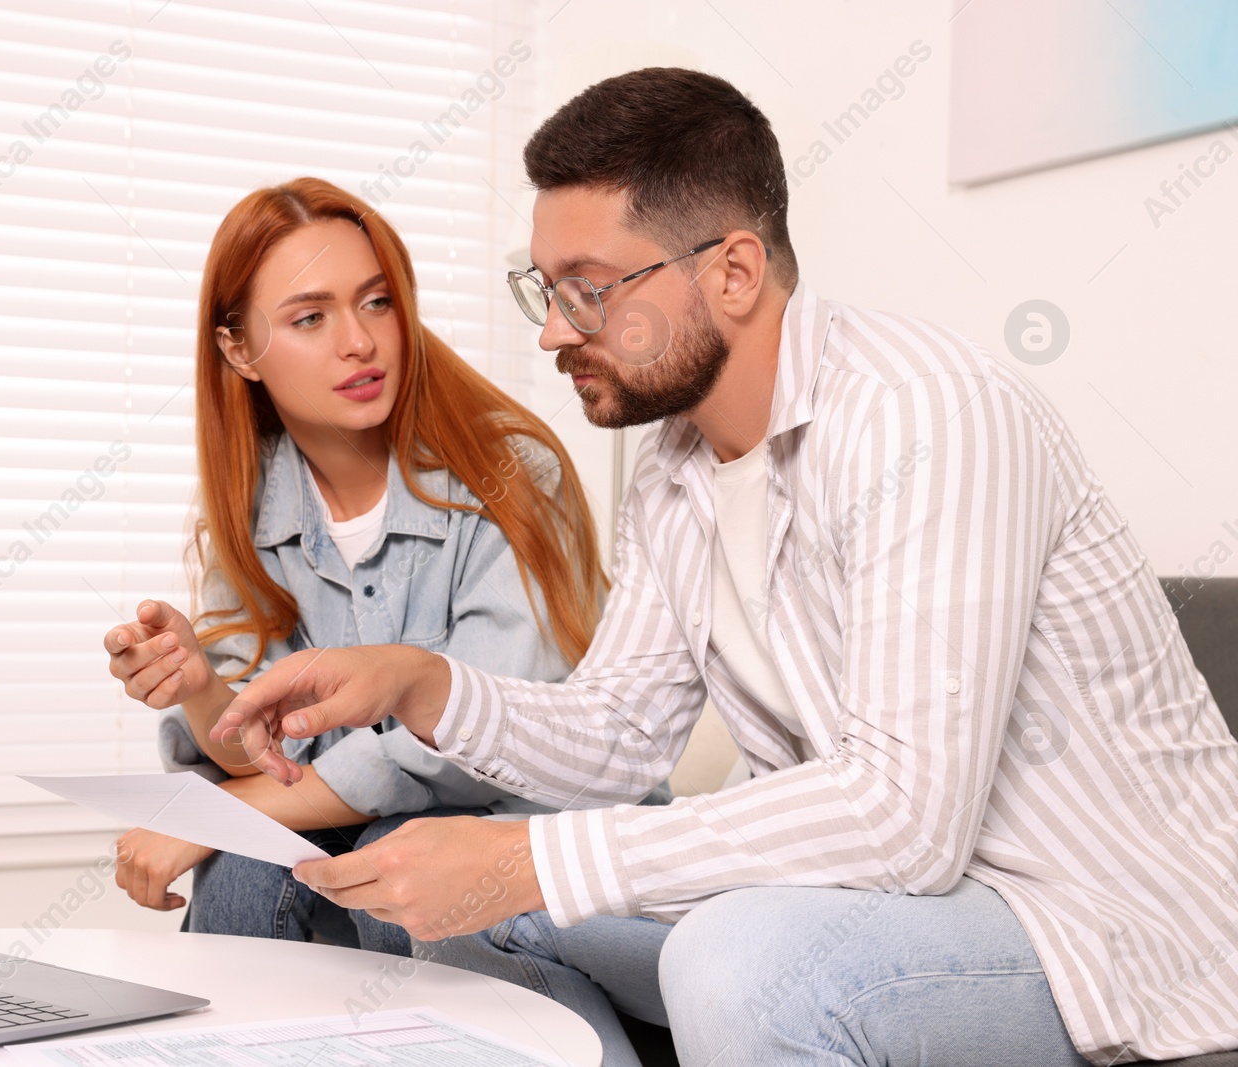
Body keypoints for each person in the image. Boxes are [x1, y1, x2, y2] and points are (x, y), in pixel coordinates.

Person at [212, 70, 1238, 1066]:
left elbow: (900, 816)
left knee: (738, 962)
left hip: (1104, 930)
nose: (553, 330)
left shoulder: (926, 417)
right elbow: (616, 736)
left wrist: (528, 858)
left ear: (734, 272)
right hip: (884, 908)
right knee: (458, 931)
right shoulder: (674, 471)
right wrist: (418, 682)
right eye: (545, 288)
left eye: (589, 291)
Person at [101, 177, 671, 1066]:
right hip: (376, 848)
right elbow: (266, 753)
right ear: (238, 348)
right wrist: (206, 688)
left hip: (536, 838)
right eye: (310, 317)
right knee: (256, 866)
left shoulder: (511, 475)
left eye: (375, 303)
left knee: (371, 849)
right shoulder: (248, 516)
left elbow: (456, 747)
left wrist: (213, 813)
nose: (361, 341)